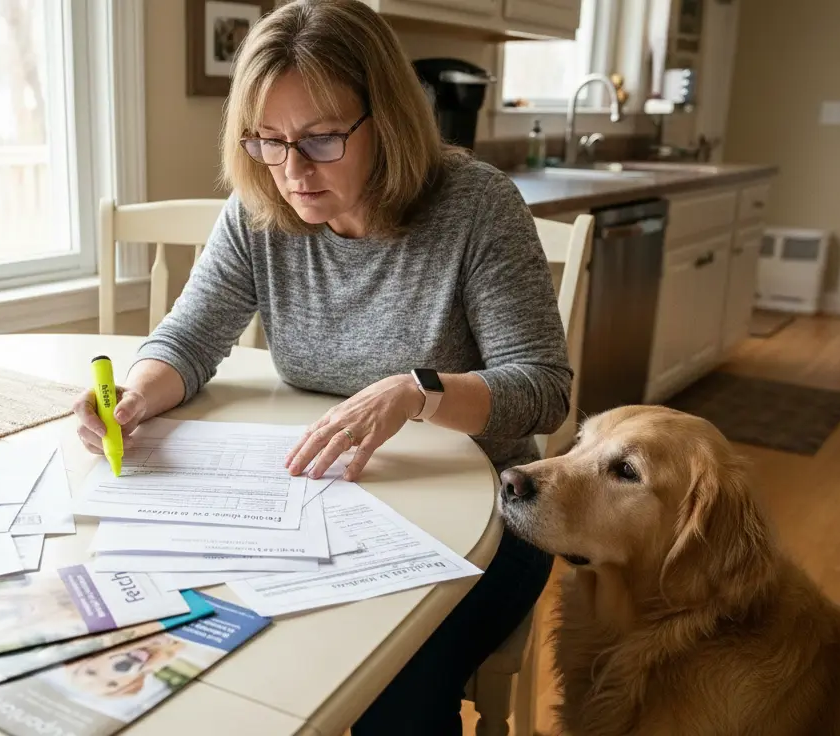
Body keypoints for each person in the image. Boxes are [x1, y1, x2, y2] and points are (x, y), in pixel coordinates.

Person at [72, 0, 568, 731]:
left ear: (386, 120)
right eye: (269, 140)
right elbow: (187, 340)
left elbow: (543, 392)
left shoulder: (476, 206)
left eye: (321, 138)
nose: (292, 170)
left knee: (389, 690)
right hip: (323, 513)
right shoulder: (260, 209)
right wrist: (137, 396)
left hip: (483, 523)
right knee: (200, 644)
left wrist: (416, 391)